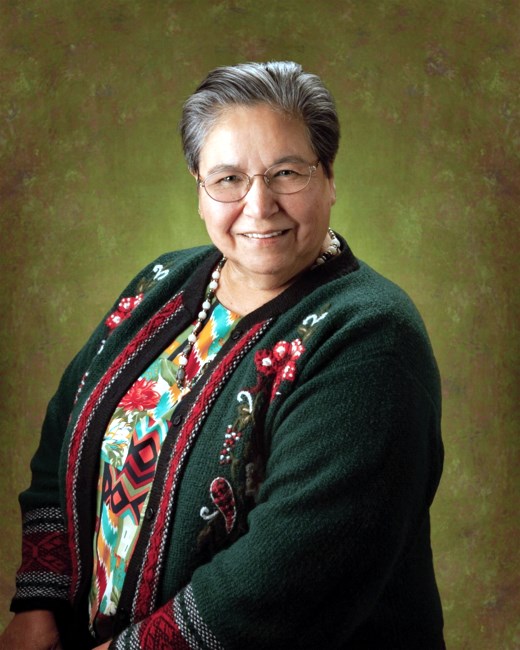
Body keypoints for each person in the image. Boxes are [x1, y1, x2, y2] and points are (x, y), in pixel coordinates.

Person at [0, 61, 445, 649]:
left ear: (329, 177)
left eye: (286, 172)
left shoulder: (370, 337)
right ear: (200, 188)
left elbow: (289, 576)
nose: (259, 205)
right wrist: (40, 603)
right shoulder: (162, 281)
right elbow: (65, 434)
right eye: (229, 178)